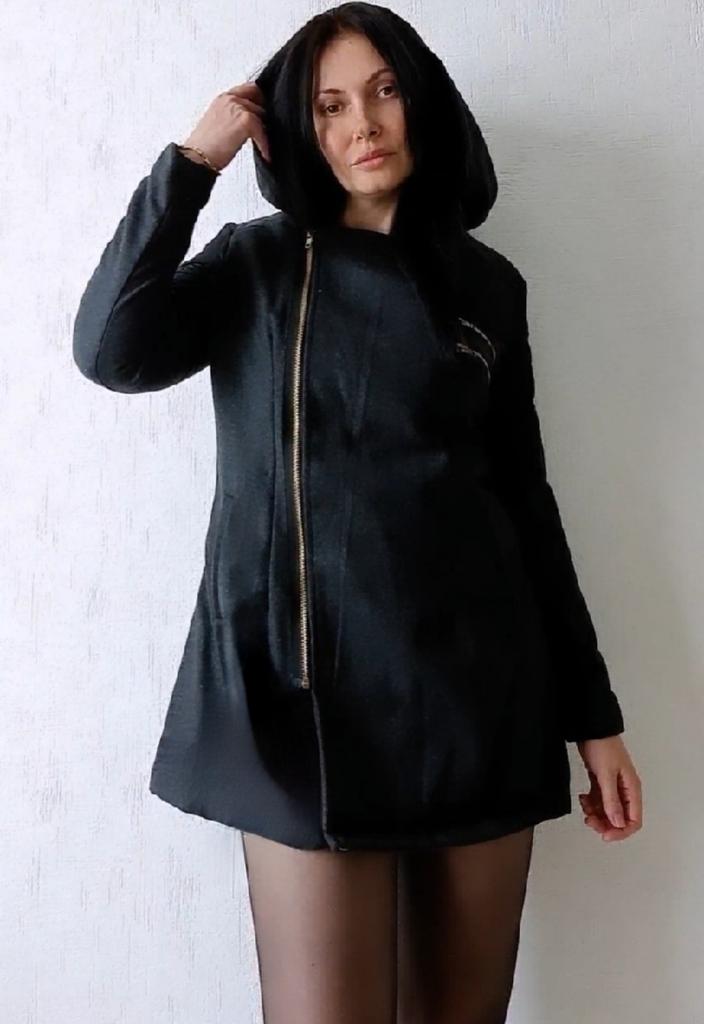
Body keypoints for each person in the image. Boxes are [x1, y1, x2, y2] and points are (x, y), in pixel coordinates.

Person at [73, 3, 642, 1021]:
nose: (363, 123)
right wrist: (191, 165)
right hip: (295, 705)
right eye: (329, 104)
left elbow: (524, 501)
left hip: (476, 700)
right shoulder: (257, 263)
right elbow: (112, 350)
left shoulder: (488, 286)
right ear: (299, 126)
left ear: (421, 102)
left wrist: (592, 717)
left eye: (383, 91)